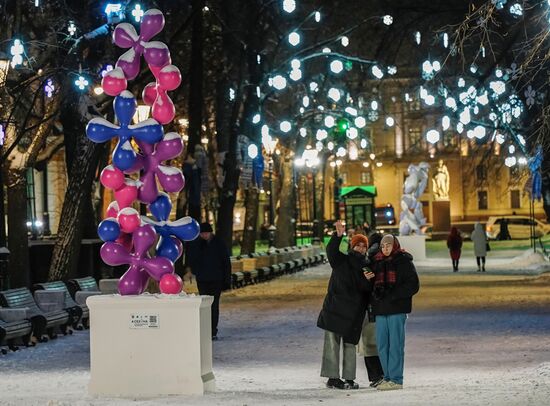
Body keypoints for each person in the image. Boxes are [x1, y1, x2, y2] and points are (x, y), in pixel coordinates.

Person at [317, 220, 375, 390]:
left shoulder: (366, 267)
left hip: (354, 313)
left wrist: (368, 282)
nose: (361, 249)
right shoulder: (341, 260)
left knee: (350, 345)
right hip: (335, 309)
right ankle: (332, 377)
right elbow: (331, 250)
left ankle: (349, 378)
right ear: (352, 246)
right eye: (358, 245)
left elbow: (366, 290)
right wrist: (338, 235)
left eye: (364, 246)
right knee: (332, 344)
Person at [371, 234, 419, 391]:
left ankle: (396, 379)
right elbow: (370, 286)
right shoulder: (375, 262)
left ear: (395, 246)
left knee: (395, 345)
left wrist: (393, 295)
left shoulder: (403, 261)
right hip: (380, 309)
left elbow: (413, 285)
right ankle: (387, 376)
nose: (385, 249)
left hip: (397, 309)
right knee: (382, 345)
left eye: (388, 246)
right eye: (383, 246)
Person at [185, 222, 231, 339]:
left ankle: (213, 331)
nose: (204, 235)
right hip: (203, 279)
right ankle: (206, 329)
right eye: (202, 234)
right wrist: (191, 271)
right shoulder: (197, 244)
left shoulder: (219, 243)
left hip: (216, 279)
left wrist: (226, 280)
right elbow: (192, 258)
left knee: (214, 305)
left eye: (206, 233)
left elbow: (226, 262)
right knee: (205, 304)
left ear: (211, 233)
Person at [357, 232, 385, 388]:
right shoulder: (385, 259)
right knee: (381, 342)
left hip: (368, 307)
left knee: (370, 344)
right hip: (381, 306)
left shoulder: (366, 261)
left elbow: (364, 286)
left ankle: (375, 375)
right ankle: (383, 374)